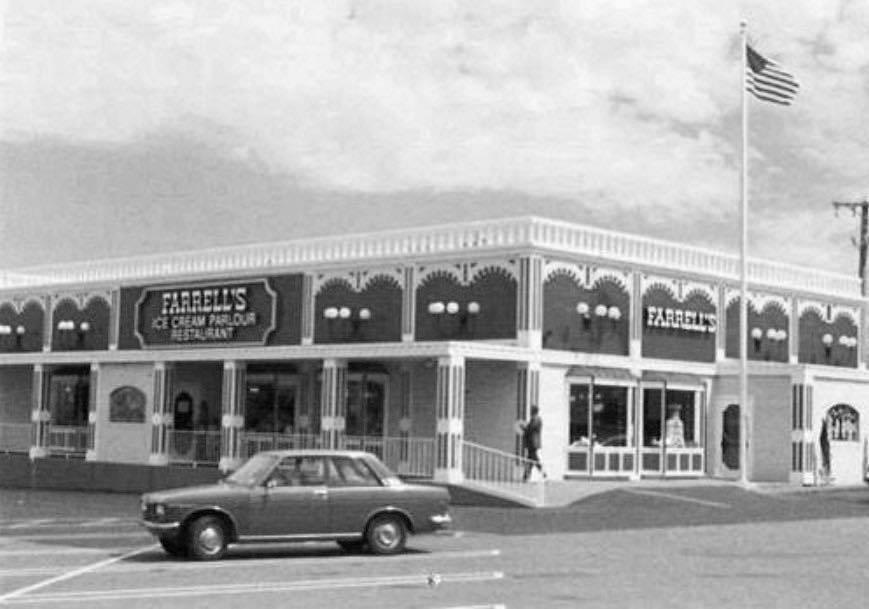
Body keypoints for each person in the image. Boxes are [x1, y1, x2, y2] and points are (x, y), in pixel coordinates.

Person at [521, 406, 546, 482]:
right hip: (532, 442)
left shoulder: (536, 419)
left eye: (531, 410)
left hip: (532, 442)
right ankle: (526, 476)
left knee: (533, 458)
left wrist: (524, 428)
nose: (530, 412)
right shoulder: (536, 419)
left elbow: (531, 429)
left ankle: (542, 471)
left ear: (533, 411)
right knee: (530, 459)